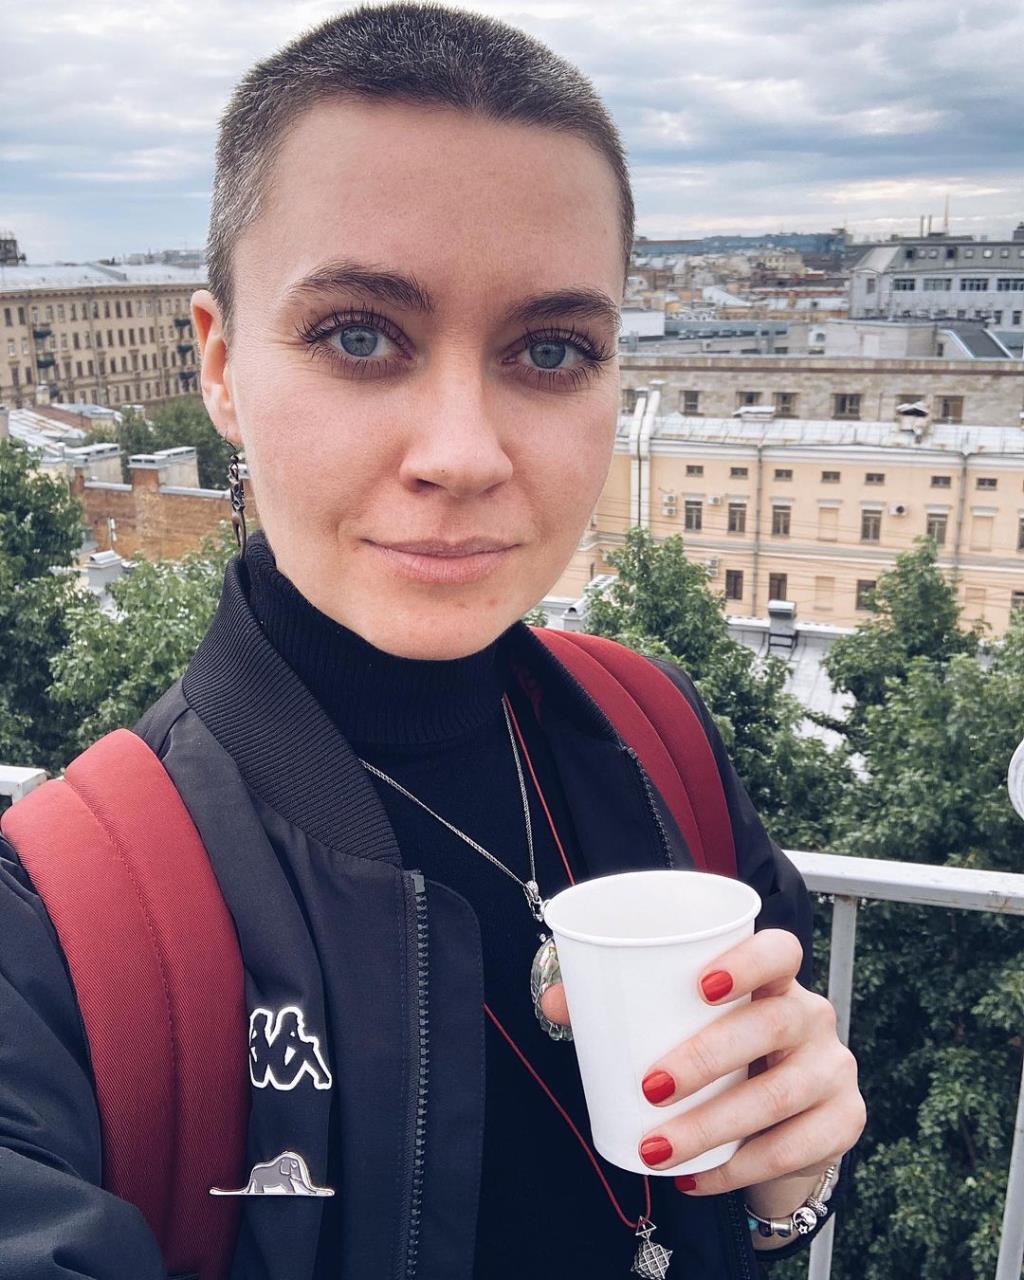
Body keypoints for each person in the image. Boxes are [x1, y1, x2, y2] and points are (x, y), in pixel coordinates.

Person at [0, 5, 866, 1278]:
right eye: (359, 335)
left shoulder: (655, 733)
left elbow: (759, 1167)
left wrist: (789, 1181)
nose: (461, 454)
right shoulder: (58, 918)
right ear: (221, 367)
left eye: (550, 349)